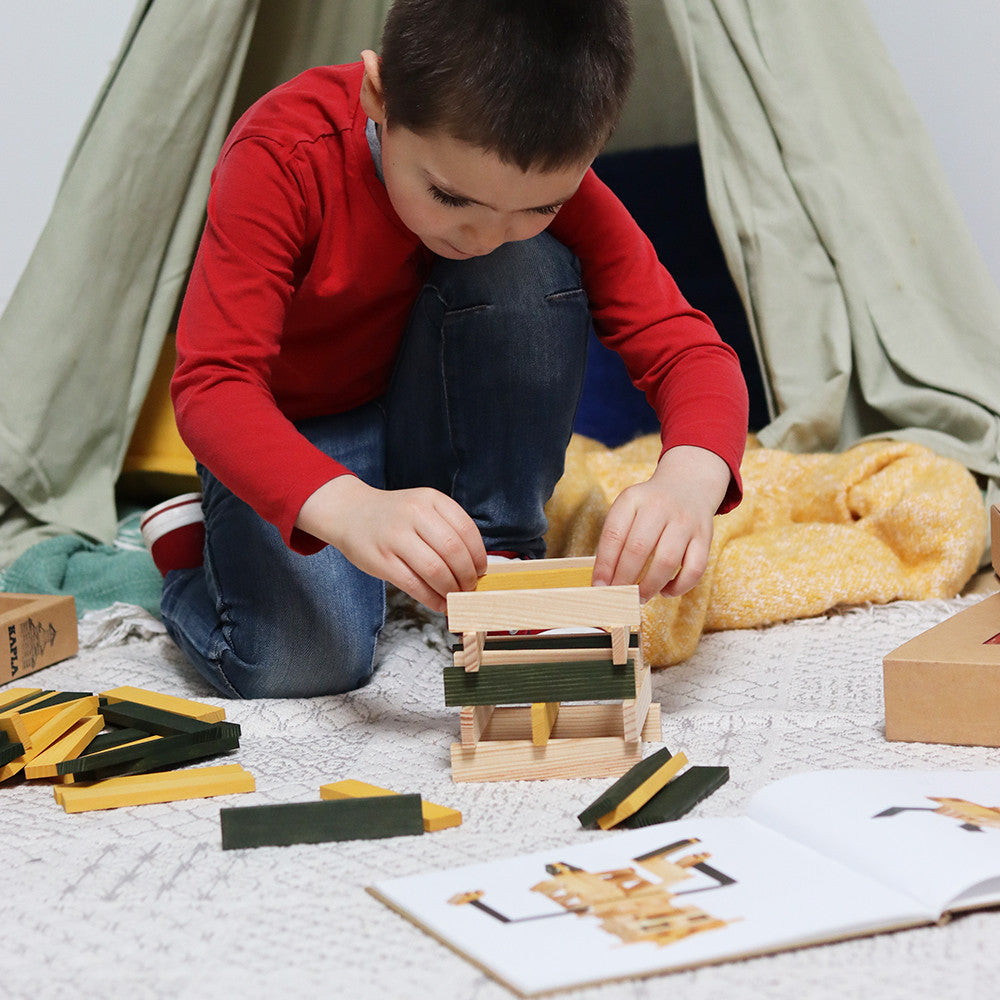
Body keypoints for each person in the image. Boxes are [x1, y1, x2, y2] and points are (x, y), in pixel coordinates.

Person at [143, 0, 749, 699]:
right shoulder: (283, 154)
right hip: (296, 431)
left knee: (530, 269)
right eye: (449, 196)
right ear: (380, 96)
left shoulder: (527, 172)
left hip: (427, 409)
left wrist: (687, 483)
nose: (484, 234)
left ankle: (497, 553)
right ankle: (189, 553)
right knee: (303, 663)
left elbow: (689, 351)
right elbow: (212, 387)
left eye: (541, 206)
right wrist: (349, 510)